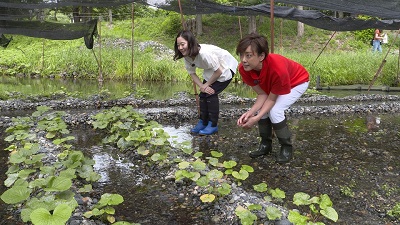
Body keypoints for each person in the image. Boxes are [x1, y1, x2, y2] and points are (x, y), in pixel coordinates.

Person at [235, 33, 309, 163]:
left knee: (275, 111)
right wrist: (250, 113)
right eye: (241, 55)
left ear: (261, 56)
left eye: (248, 55)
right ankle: (265, 145)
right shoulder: (244, 69)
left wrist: (256, 119)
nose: (243, 60)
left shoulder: (277, 69)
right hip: (277, 84)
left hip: (297, 81)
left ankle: (286, 148)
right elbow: (262, 94)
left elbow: (271, 99)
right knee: (261, 111)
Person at [173, 30, 238, 135]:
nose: (180, 48)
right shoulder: (187, 56)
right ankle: (203, 121)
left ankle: (213, 125)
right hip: (212, 69)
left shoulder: (204, 54)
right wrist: (202, 86)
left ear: (190, 42)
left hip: (225, 66)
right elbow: (192, 73)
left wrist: (206, 85)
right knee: (203, 94)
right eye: (178, 45)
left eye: (182, 44)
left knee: (210, 93)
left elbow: (219, 71)